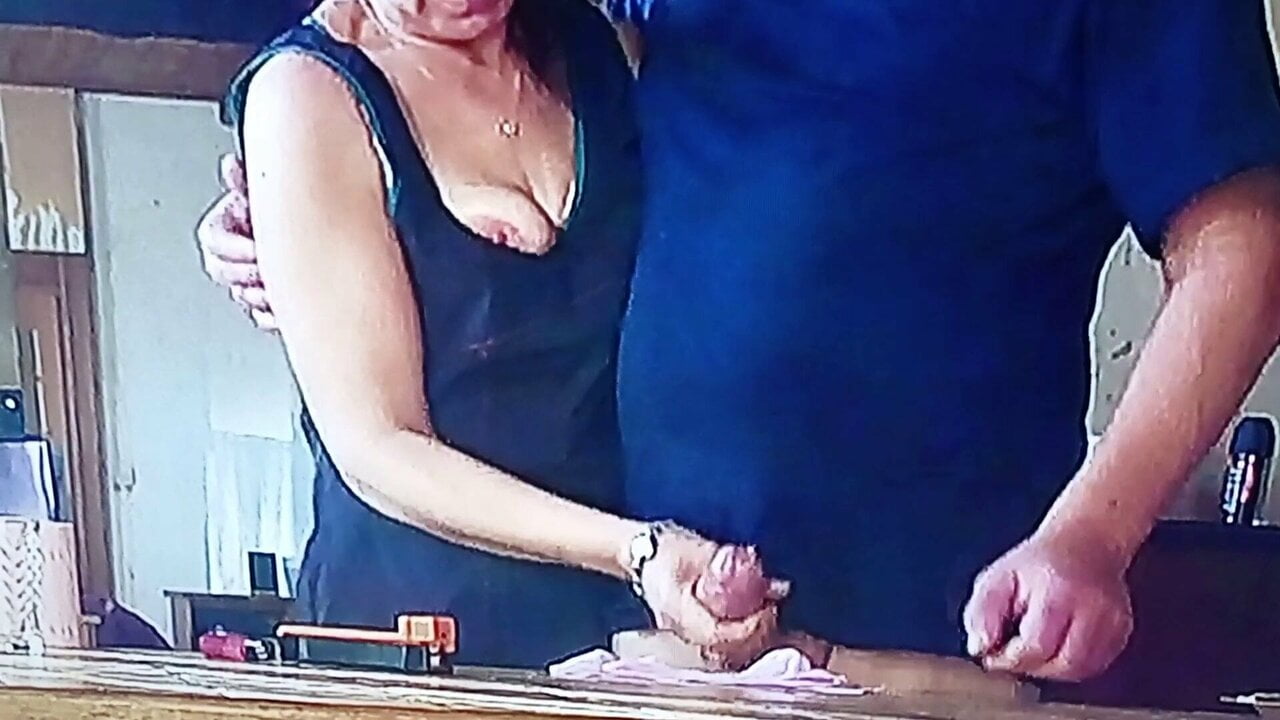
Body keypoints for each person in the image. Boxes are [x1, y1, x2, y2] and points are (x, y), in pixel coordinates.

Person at [201, 0, 1280, 681]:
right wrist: (293, 215)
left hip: (926, 644)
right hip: (651, 652)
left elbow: (1246, 250)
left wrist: (1094, 533)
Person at [217, 0, 783, 669]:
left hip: (617, 622)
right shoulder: (306, 92)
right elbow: (377, 446)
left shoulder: (589, 42)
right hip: (420, 633)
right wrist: (634, 550)